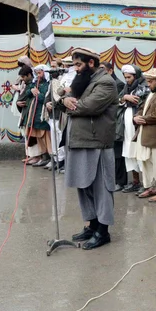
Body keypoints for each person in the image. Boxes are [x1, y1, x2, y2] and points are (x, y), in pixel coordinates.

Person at [61, 47, 117, 250]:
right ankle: (92, 225)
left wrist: (66, 103)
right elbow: (63, 97)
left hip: (97, 144)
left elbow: (87, 107)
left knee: (101, 188)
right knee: (84, 186)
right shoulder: (84, 80)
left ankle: (103, 232)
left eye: (78, 64)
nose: (75, 69)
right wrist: (63, 99)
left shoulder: (105, 82)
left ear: (91, 63)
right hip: (79, 141)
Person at [133, 68, 156, 202]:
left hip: (155, 136)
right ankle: (150, 187)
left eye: (150, 82)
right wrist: (136, 117)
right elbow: (142, 108)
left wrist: (142, 119)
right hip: (145, 133)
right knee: (146, 163)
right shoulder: (151, 93)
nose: (148, 84)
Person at [119, 65, 149, 194]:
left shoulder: (144, 86)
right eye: (125, 77)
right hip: (127, 127)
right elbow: (118, 99)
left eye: (129, 77)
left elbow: (138, 99)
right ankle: (135, 181)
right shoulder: (126, 88)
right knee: (129, 153)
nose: (127, 80)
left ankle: (146, 183)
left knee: (139, 153)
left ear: (136, 76)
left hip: (137, 124)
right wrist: (125, 97)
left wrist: (126, 98)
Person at [100, 61, 126, 191]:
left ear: (110, 70)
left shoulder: (119, 84)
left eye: (103, 69)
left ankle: (120, 181)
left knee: (118, 154)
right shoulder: (101, 84)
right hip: (105, 123)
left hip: (116, 123)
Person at [22, 65, 52, 168]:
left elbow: (45, 99)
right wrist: (31, 91)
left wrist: (37, 94)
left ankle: (51, 157)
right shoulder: (34, 83)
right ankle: (44, 157)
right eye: (37, 73)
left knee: (46, 138)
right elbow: (27, 92)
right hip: (34, 116)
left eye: (40, 73)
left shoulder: (48, 84)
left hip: (42, 116)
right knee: (38, 137)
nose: (38, 75)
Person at [44, 59, 65, 171]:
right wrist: (47, 103)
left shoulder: (63, 81)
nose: (52, 69)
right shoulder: (52, 82)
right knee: (54, 139)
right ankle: (55, 160)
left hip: (60, 115)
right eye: (51, 67)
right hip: (52, 116)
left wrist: (54, 104)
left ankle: (61, 160)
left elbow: (62, 97)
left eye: (54, 67)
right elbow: (47, 96)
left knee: (60, 138)